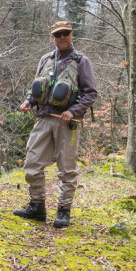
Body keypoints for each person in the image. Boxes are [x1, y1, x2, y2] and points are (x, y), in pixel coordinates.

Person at [14, 21, 98, 228]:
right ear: (53, 37)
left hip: (66, 123)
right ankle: (37, 207)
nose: (62, 37)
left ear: (71, 34)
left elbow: (91, 94)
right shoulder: (46, 59)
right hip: (42, 119)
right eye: (58, 34)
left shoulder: (82, 61)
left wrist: (73, 111)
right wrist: (28, 102)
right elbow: (35, 87)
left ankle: (63, 211)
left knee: (67, 169)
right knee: (32, 164)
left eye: (65, 33)